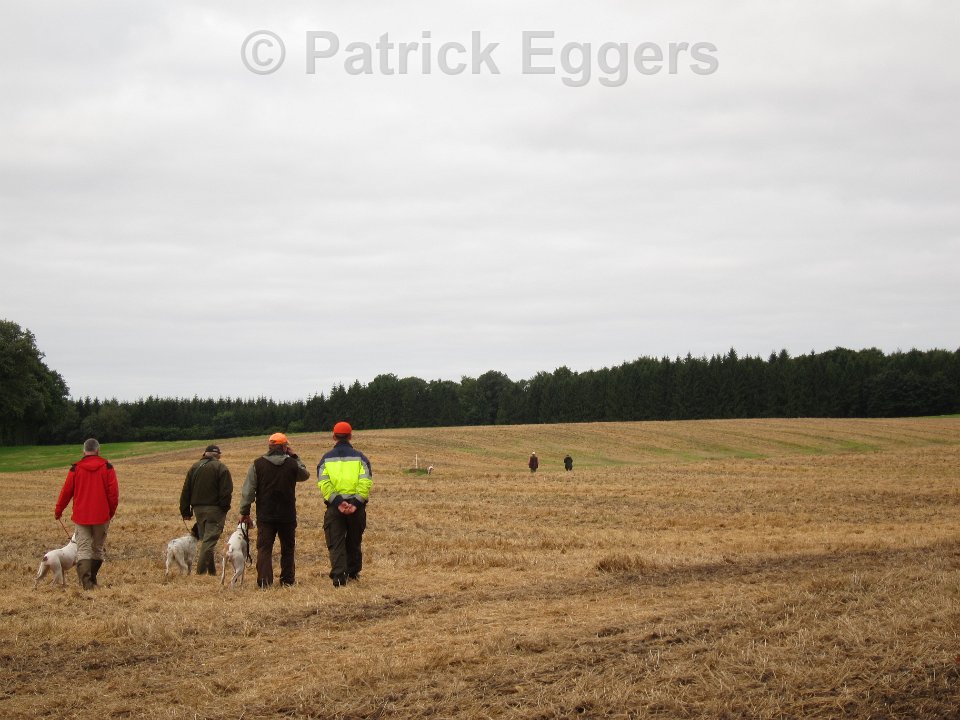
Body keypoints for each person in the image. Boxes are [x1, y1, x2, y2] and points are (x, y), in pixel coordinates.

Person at [238, 432, 309, 587]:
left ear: (269, 447)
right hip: (287, 515)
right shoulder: (292, 464)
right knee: (288, 548)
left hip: (265, 515)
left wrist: (244, 512)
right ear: (284, 447)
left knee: (264, 549)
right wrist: (295, 456)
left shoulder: (257, 464)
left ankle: (264, 582)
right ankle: (287, 580)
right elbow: (305, 475)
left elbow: (248, 491)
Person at [54, 438, 119, 590]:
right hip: (101, 516)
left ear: (84, 451)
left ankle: (86, 584)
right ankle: (92, 580)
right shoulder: (107, 467)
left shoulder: (75, 469)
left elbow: (66, 492)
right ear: (98, 450)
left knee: (83, 549)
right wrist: (110, 512)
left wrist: (58, 510)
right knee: (97, 548)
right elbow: (113, 494)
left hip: (81, 516)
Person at [318, 421, 372, 587]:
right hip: (357, 508)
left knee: (336, 542)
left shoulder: (326, 459)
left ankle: (339, 578)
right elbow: (365, 482)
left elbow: (324, 483)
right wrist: (355, 503)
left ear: (334, 437)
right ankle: (353, 574)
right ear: (350, 436)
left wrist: (339, 502)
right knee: (354, 541)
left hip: (335, 508)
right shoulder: (361, 458)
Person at [179, 444, 233, 575]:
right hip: (215, 510)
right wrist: (224, 508)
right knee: (209, 542)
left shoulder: (195, 467)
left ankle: (212, 573)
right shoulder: (220, 467)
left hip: (198, 510)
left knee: (206, 541)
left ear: (205, 454)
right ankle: (200, 573)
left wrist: (185, 511)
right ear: (218, 455)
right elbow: (226, 491)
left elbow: (186, 490)